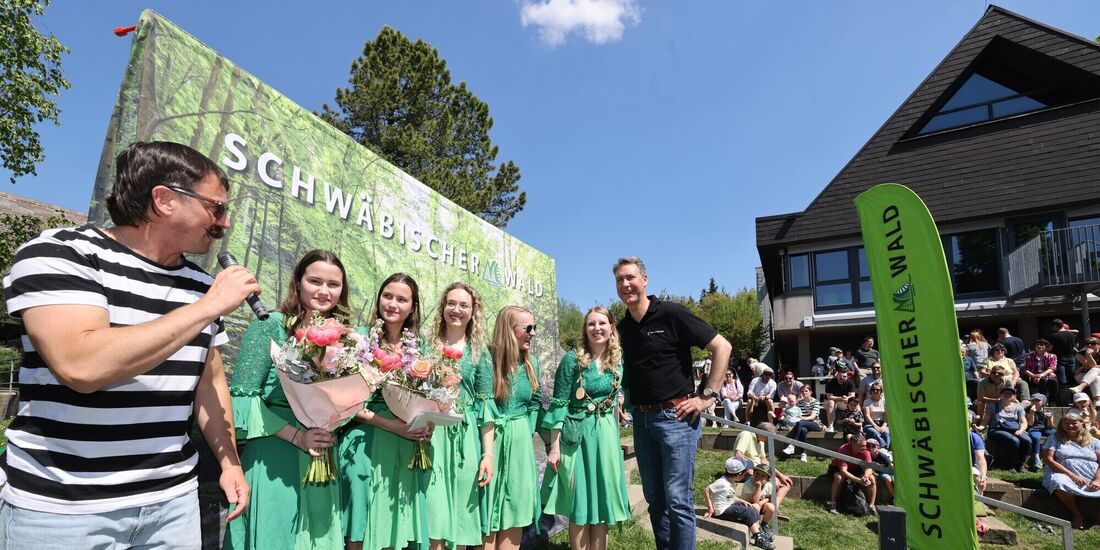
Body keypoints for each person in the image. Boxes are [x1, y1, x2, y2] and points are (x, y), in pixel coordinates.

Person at [0, 141, 254, 547]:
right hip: (63, 509)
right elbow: (81, 367)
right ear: (165, 199)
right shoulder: (61, 254)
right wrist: (209, 307)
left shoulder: (201, 286)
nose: (225, 224)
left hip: (174, 505)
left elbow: (210, 383)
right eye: (216, 208)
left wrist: (230, 462)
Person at [224, 251, 348, 550]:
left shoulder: (345, 339)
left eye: (333, 284)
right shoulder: (270, 325)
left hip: (320, 455)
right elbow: (243, 399)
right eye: (315, 281)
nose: (324, 291)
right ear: (298, 282)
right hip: (273, 452)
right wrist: (297, 436)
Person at [613, 257, 731, 550]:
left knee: (678, 500)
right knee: (655, 499)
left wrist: (707, 396)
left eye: (630, 277)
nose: (625, 284)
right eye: (619, 280)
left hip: (676, 418)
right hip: (641, 421)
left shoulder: (671, 314)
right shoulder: (623, 328)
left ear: (644, 280)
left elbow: (722, 346)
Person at [339, 273, 432, 550]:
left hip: (404, 444)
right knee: (361, 523)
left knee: (393, 525)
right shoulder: (358, 340)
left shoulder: (419, 348)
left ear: (412, 306)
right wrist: (390, 425)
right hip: (363, 440)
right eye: (387, 296)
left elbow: (429, 398)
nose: (392, 304)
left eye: (401, 299)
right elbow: (343, 401)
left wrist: (428, 422)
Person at [542, 307, 631, 550]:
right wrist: (555, 447)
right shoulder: (572, 359)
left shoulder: (618, 360)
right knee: (580, 504)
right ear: (585, 329)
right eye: (591, 324)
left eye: (602, 323)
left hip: (605, 435)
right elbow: (558, 404)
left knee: (601, 504)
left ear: (611, 327)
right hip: (577, 437)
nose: (597, 328)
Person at [425, 282, 496, 550]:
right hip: (431, 436)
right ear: (443, 307)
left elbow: (486, 406)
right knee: (434, 514)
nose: (456, 309)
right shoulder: (425, 346)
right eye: (451, 303)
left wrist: (487, 455)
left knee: (463, 518)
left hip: (466, 438)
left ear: (472, 311)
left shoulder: (480, 353)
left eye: (463, 305)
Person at [483, 306, 542, 550]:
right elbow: (482, 404)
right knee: (488, 511)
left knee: (515, 509)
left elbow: (535, 402)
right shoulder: (488, 360)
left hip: (520, 445)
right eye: (527, 328)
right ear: (509, 330)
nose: (533, 333)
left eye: (535, 328)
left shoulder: (532, 363)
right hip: (492, 440)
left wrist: (525, 431)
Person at [1040, 413, 1100, 530]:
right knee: (1058, 481)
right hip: (1063, 473)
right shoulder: (1054, 438)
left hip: (1092, 476)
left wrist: (1097, 480)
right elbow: (1048, 459)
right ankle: (1077, 514)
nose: (1070, 426)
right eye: (1066, 423)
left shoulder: (1094, 441)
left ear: (1081, 423)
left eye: (1074, 423)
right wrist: (1072, 476)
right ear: (1061, 425)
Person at [702, 458, 774, 550]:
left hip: (729, 506)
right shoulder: (722, 483)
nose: (747, 474)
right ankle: (758, 538)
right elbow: (706, 490)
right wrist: (710, 508)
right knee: (749, 513)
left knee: (752, 508)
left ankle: (759, 531)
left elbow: (729, 496)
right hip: (722, 511)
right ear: (739, 475)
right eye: (745, 473)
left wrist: (742, 501)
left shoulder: (730, 481)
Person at [732, 423, 793, 513]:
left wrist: (781, 475)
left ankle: (773, 507)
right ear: (762, 432)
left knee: (786, 484)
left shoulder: (760, 441)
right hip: (747, 471)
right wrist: (750, 467)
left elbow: (764, 461)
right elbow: (738, 454)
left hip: (761, 470)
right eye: (769, 436)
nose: (769, 439)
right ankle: (767, 508)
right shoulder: (746, 434)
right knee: (775, 483)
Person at [977, 387, 1031, 473]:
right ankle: (1010, 465)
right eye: (1005, 393)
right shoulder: (992, 406)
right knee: (1014, 440)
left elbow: (1023, 422)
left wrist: (1021, 430)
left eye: (1010, 393)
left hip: (1014, 429)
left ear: (1014, 396)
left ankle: (1020, 464)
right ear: (1000, 395)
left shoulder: (1018, 407)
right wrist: (980, 427)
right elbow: (985, 420)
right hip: (996, 429)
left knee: (1027, 440)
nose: (1007, 395)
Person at [827, 434, 877, 515]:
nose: (864, 447)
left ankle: (871, 505)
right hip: (837, 468)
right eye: (861, 446)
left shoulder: (865, 451)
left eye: (865, 445)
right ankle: (833, 503)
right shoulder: (843, 449)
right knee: (839, 478)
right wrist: (858, 480)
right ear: (853, 445)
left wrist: (865, 476)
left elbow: (869, 468)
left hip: (855, 468)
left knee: (872, 478)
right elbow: (843, 471)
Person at [782, 385, 822, 461]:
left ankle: (792, 445)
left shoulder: (815, 402)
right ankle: (804, 453)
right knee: (803, 430)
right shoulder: (798, 403)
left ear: (810, 392)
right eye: (802, 391)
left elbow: (813, 416)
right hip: (802, 425)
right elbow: (792, 411)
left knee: (800, 423)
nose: (804, 393)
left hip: (815, 424)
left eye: (806, 391)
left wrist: (802, 418)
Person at [1049, 319, 1079, 399]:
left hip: (1059, 358)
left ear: (1055, 326)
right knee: (1072, 377)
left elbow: (1050, 348)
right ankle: (1074, 398)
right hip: (1071, 358)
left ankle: (1064, 399)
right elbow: (1076, 346)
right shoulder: (1072, 335)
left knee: (1062, 380)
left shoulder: (1054, 336)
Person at [1023, 339, 1059, 405]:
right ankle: (1042, 401)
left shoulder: (1052, 356)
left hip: (1047, 375)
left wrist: (1041, 375)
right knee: (1042, 380)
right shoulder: (1029, 357)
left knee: (1053, 381)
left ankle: (1052, 400)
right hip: (1033, 376)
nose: (1039, 346)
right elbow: (1026, 369)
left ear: (1046, 347)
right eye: (1037, 345)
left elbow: (1052, 368)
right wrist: (1034, 376)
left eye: (1042, 345)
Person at [1025, 393, 1055, 472]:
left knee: (1055, 434)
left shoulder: (1048, 411)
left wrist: (1049, 419)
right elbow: (1030, 424)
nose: (1035, 402)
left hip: (1045, 428)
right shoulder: (1028, 410)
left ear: (1043, 402)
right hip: (1034, 428)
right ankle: (1036, 458)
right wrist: (1032, 413)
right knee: (1035, 437)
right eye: (1033, 400)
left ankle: (1053, 455)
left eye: (1037, 400)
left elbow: (1050, 427)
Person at [822, 368, 856, 432]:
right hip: (829, 402)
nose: (842, 378)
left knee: (856, 404)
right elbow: (829, 397)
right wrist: (841, 398)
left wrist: (847, 398)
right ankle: (830, 426)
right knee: (831, 402)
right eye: (840, 376)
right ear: (837, 375)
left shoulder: (850, 382)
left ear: (847, 376)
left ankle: (858, 425)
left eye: (844, 376)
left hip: (844, 402)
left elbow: (852, 395)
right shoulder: (830, 382)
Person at [1071, 336, 1100, 406]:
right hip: (1081, 375)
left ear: (1098, 345)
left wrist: (1087, 365)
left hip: (1094, 374)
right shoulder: (1079, 354)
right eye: (1087, 344)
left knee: (1095, 372)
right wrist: (1088, 354)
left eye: (1092, 343)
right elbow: (1092, 366)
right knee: (1096, 376)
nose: (1089, 345)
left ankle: (1080, 387)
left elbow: (1090, 366)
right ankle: (1098, 401)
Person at [861, 382, 890, 449]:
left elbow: (887, 415)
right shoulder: (867, 401)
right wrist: (875, 426)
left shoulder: (885, 401)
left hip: (883, 423)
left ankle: (885, 449)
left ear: (881, 391)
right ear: (871, 391)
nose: (875, 391)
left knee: (886, 433)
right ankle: (883, 448)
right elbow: (867, 415)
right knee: (875, 433)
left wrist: (883, 426)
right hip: (870, 424)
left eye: (877, 389)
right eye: (873, 389)